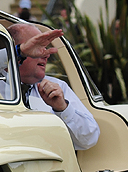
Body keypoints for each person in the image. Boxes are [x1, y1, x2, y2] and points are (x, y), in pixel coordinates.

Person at [8, 23, 100, 151]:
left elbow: (89, 139)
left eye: (45, 48)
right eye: (37, 47)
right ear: (17, 51)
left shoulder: (57, 88)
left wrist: (62, 108)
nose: (46, 54)